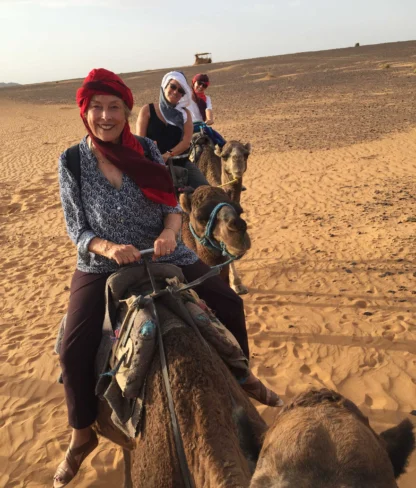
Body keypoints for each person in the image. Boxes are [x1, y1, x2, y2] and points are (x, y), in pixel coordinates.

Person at [55, 68, 282, 487]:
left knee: (229, 301)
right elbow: (77, 229)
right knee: (72, 349)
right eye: (96, 109)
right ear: (84, 113)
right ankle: (81, 433)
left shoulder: (145, 150)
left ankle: (241, 376)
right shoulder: (71, 161)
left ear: (126, 111)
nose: (105, 117)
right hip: (103, 263)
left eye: (114, 108)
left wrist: (168, 233)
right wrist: (107, 247)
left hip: (163, 249)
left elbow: (171, 208)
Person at [136, 71, 208, 190]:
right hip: (151, 165)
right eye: (173, 86)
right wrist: (154, 158)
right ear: (165, 85)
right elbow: (140, 141)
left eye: (181, 91)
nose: (176, 92)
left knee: (207, 192)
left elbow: (186, 142)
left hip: (180, 162)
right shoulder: (147, 110)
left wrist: (167, 155)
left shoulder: (185, 114)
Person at [188, 73, 226, 148]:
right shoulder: (185, 96)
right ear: (193, 82)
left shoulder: (206, 99)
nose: (201, 86)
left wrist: (209, 119)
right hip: (187, 126)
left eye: (204, 85)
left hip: (201, 126)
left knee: (223, 143)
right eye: (199, 83)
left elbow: (208, 109)